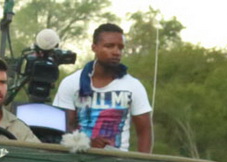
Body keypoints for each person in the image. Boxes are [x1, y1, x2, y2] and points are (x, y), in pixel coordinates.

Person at [53, 23, 153, 152]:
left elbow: (144, 132)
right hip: (78, 160)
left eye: (120, 47)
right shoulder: (72, 82)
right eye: (109, 46)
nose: (116, 52)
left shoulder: (133, 86)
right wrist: (87, 143)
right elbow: (63, 127)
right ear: (94, 47)